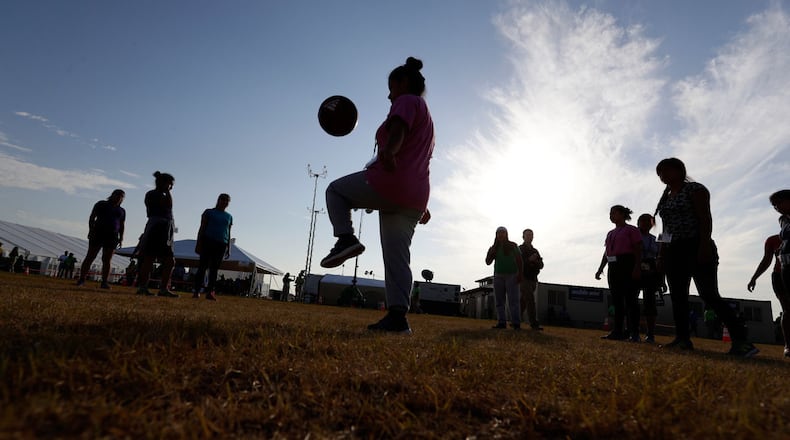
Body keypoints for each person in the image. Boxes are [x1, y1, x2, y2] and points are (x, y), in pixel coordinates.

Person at [319, 57, 434, 334]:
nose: (388, 94)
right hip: (414, 196)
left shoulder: (406, 101)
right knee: (397, 258)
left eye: (390, 87)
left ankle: (345, 238)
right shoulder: (427, 116)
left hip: (390, 183)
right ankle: (398, 318)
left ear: (403, 83)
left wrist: (390, 150)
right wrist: (423, 205)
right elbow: (419, 159)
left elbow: (399, 131)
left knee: (334, 190)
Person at [654, 158, 757, 356]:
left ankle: (742, 342)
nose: (662, 176)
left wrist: (703, 246)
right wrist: (661, 254)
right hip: (674, 250)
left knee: (708, 294)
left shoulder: (696, 189)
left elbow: (705, 218)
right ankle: (683, 339)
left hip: (696, 245)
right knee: (678, 296)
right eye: (659, 173)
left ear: (679, 170)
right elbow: (666, 228)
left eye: (666, 171)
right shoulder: (666, 197)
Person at [595, 205, 642, 342]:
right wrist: (600, 268)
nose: (611, 216)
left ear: (622, 214)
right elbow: (607, 252)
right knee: (617, 299)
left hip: (627, 263)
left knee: (630, 299)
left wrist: (637, 267)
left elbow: (638, 248)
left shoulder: (631, 230)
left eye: (614, 213)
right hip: (613, 265)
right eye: (610, 213)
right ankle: (618, 331)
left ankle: (634, 332)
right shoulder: (610, 233)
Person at [136, 171, 178, 298]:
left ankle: (164, 288)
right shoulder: (152, 194)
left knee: (170, 260)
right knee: (149, 257)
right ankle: (143, 287)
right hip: (156, 225)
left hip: (168, 226)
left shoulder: (165, 195)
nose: (171, 187)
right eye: (170, 184)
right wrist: (166, 190)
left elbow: (169, 207)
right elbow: (166, 205)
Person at [76, 189, 126, 289]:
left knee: (107, 260)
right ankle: (81, 279)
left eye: (121, 196)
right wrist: (91, 230)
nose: (119, 198)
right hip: (98, 233)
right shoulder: (101, 204)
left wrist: (121, 238)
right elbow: (92, 217)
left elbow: (122, 224)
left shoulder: (121, 211)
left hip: (112, 236)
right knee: (90, 256)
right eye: (117, 195)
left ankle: (104, 282)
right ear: (112, 195)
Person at [193, 193, 233, 301]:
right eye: (223, 200)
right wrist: (198, 243)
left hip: (221, 244)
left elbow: (228, 232)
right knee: (202, 267)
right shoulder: (209, 212)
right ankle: (196, 290)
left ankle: (210, 291)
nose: (224, 202)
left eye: (227, 201)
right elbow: (202, 227)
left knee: (214, 269)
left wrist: (229, 248)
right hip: (208, 241)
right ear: (218, 200)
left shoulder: (229, 216)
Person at [486, 226, 524, 330]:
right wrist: (490, 253)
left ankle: (516, 323)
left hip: (512, 275)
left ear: (506, 234)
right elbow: (487, 262)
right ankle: (501, 322)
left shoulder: (513, 246)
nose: (501, 235)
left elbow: (519, 260)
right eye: (499, 233)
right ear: (496, 235)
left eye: (503, 233)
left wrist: (520, 274)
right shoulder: (494, 247)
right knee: (499, 301)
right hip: (498, 276)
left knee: (513, 301)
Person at [768, 189, 790, 357]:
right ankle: (788, 345)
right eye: (774, 205)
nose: (777, 207)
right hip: (786, 266)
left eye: (779, 203)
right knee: (788, 308)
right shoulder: (783, 220)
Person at [636, 213, 664, 343]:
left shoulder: (656, 240)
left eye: (650, 221)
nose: (647, 223)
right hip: (635, 268)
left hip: (651, 272)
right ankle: (632, 331)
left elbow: (660, 259)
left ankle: (650, 334)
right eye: (644, 221)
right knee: (631, 300)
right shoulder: (633, 235)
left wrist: (661, 279)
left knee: (650, 302)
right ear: (639, 222)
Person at [518, 228, 544, 330]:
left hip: (533, 279)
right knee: (530, 300)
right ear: (523, 237)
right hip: (523, 278)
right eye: (527, 235)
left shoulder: (535, 251)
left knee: (524, 301)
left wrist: (536, 262)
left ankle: (515, 319)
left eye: (531, 235)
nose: (529, 237)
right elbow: (517, 263)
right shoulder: (520, 249)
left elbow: (541, 265)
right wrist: (529, 260)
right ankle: (534, 323)